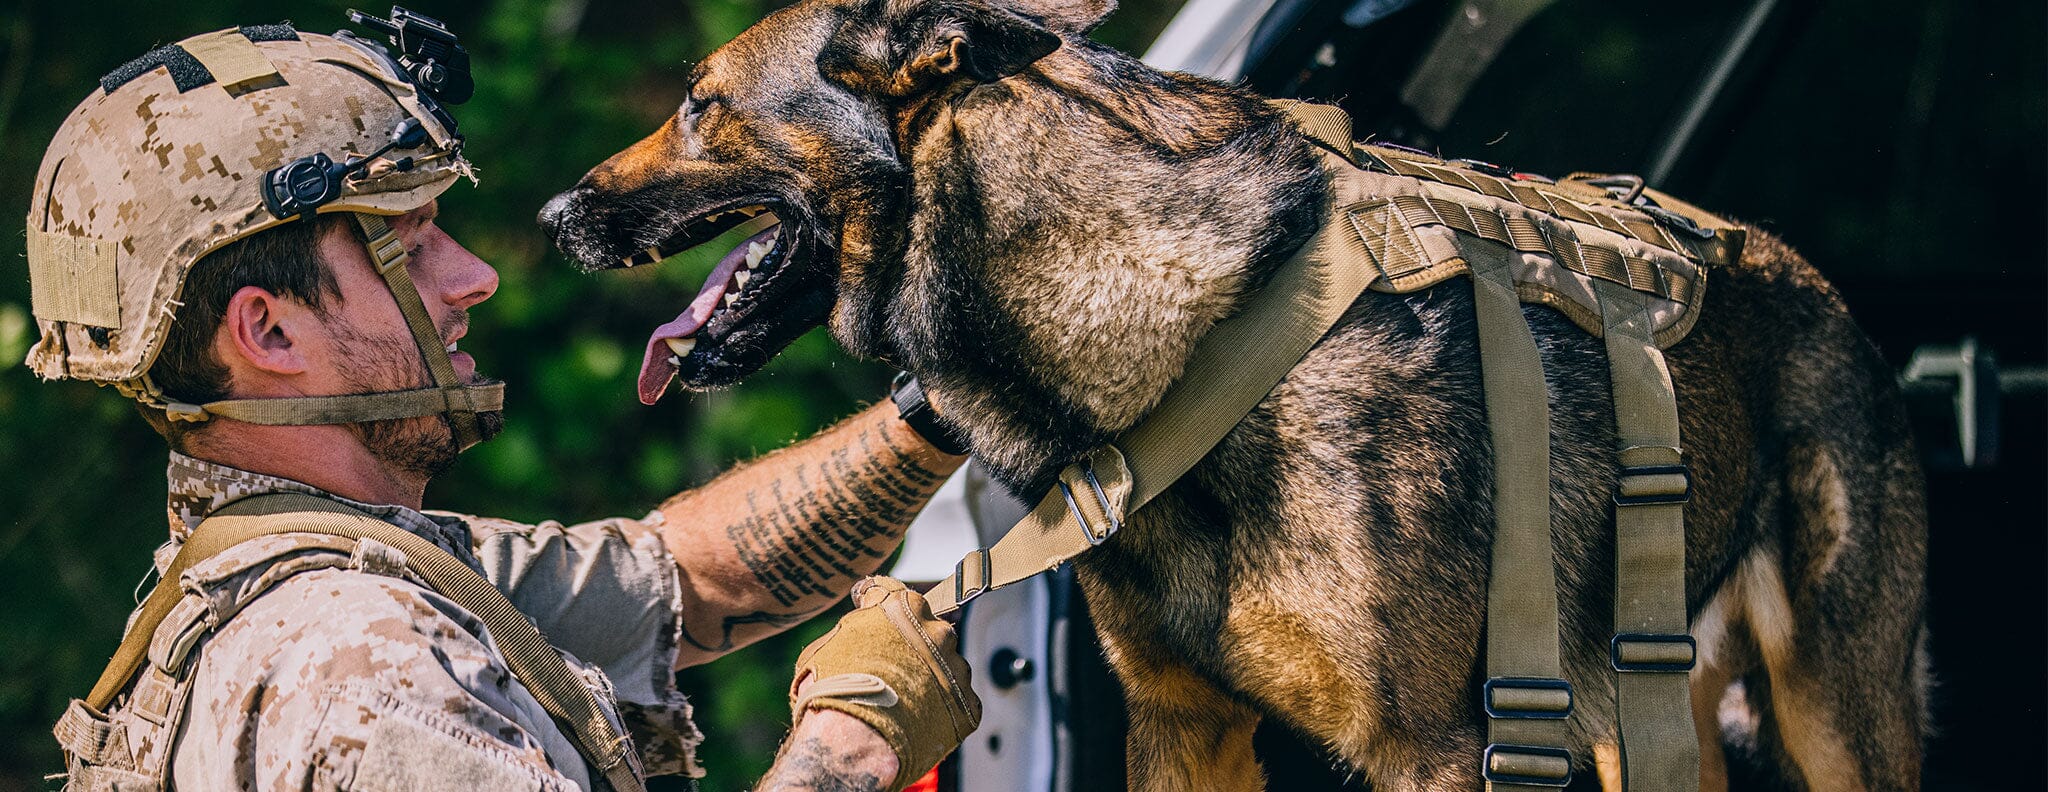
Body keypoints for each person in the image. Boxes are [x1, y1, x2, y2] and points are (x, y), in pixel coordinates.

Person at [27, 13, 977, 792]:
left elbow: (690, 576)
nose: (475, 275)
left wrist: (950, 404)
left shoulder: (304, 576)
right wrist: (847, 750)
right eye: (407, 246)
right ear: (269, 334)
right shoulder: (368, 674)